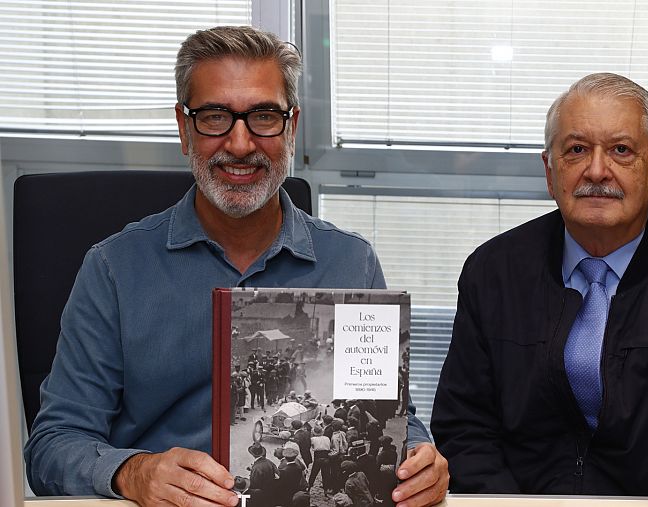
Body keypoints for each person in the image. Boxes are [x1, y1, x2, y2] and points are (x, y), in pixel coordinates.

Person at [24, 25, 448, 507]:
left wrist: (419, 456)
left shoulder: (351, 263)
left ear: (291, 128)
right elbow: (52, 447)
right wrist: (133, 472)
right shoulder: (113, 269)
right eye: (215, 116)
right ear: (184, 129)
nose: (242, 144)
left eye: (264, 116)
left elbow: (389, 410)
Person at [431, 72, 648, 497]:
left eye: (621, 150)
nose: (597, 170)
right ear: (549, 170)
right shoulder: (492, 272)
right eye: (576, 150)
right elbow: (464, 428)